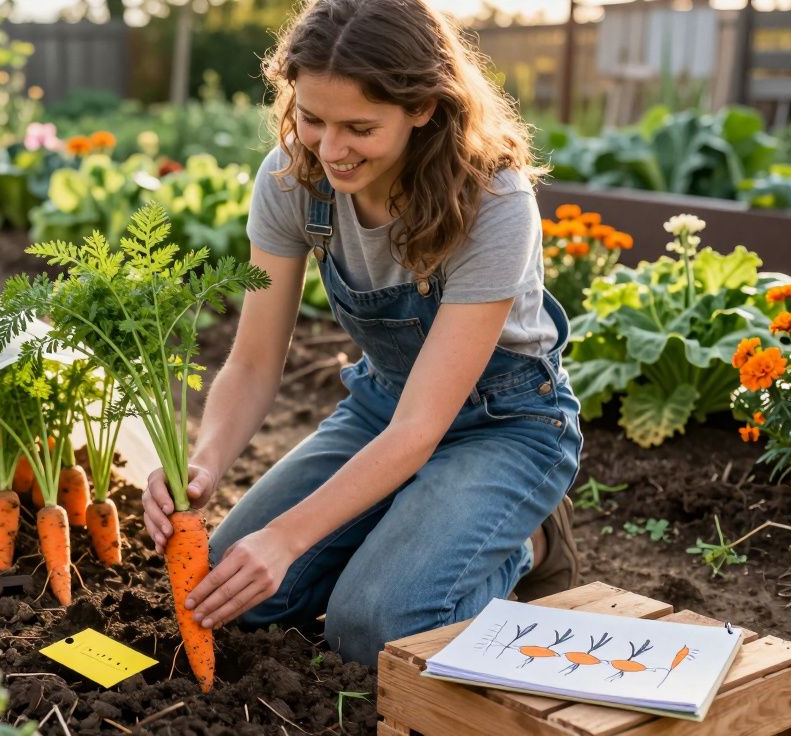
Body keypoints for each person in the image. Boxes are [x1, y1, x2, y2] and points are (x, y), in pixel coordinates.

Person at [141, 0, 585, 665]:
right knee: (234, 593)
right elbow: (255, 363)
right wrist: (202, 465)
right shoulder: (294, 181)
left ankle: (528, 540)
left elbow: (421, 430)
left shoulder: (494, 203)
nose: (331, 148)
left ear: (424, 108)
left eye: (359, 127)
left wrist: (290, 537)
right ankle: (418, 517)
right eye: (313, 119)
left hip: (503, 424)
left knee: (374, 626)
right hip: (383, 409)